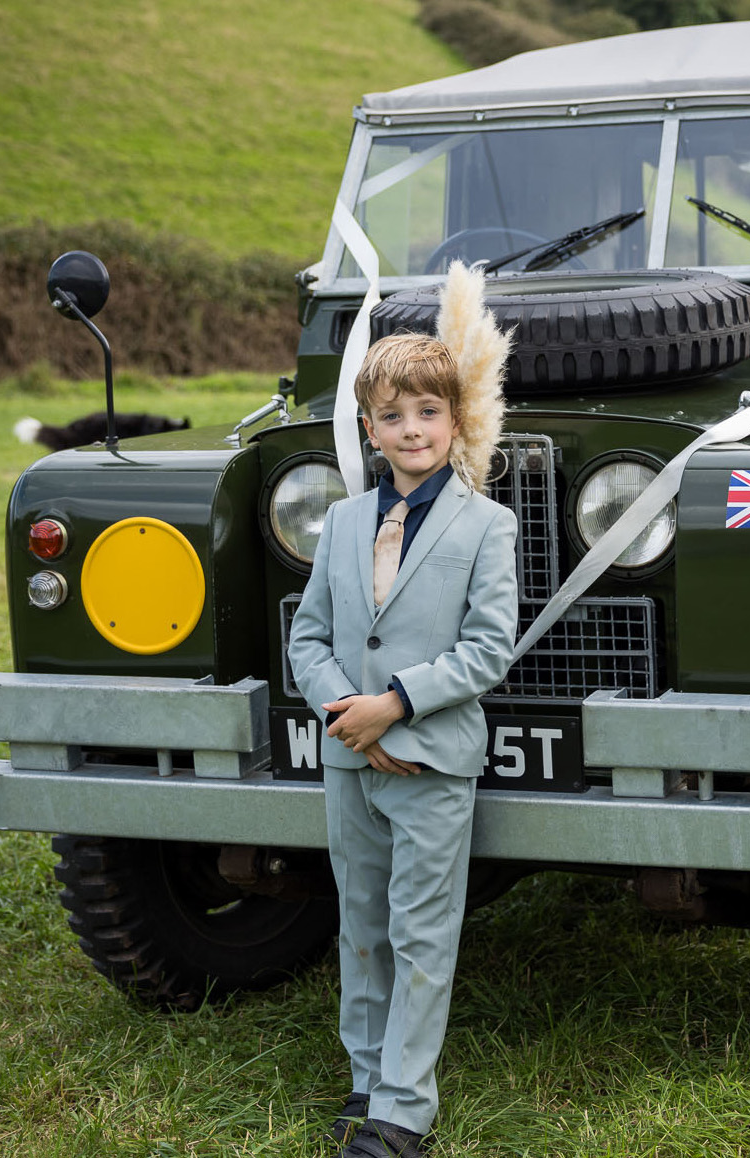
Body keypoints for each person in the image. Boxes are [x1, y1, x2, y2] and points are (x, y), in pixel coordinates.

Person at [286, 271, 516, 1158]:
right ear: (370, 429)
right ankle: (364, 1073)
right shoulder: (343, 524)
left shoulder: (485, 528)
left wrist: (396, 707)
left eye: (428, 412)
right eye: (393, 417)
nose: (412, 430)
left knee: (423, 934)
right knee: (364, 924)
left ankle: (403, 1109)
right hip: (352, 757)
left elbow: (487, 649)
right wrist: (347, 713)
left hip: (429, 762)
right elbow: (309, 637)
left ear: (454, 423)